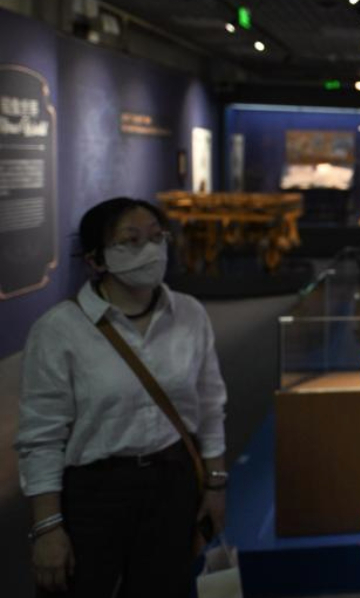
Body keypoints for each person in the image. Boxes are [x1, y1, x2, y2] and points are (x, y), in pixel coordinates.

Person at [15, 197, 228, 596]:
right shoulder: (59, 330)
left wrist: (215, 484)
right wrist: (47, 528)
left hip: (172, 483)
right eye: (130, 242)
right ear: (96, 260)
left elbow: (210, 404)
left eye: (156, 237)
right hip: (95, 495)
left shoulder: (190, 314)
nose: (149, 251)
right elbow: (40, 436)